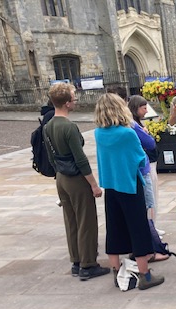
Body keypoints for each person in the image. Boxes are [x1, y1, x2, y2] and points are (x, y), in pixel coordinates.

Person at [94, 93, 165, 290]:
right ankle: (144, 274)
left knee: (114, 228)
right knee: (138, 228)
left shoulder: (98, 133)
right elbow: (140, 157)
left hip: (110, 184)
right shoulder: (127, 133)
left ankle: (117, 272)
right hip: (130, 183)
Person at [44, 82, 110, 281]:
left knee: (71, 221)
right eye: (74, 97)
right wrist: (93, 184)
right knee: (86, 221)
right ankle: (88, 264)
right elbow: (80, 159)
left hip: (61, 178)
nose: (76, 100)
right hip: (76, 179)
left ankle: (76, 261)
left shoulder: (47, 125)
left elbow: (50, 157)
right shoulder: (69, 127)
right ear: (66, 103)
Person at [127, 95, 169, 262]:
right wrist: (146, 134)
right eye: (143, 107)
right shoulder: (134, 125)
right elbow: (150, 143)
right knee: (149, 204)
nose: (146, 110)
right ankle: (151, 243)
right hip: (143, 168)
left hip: (133, 171)